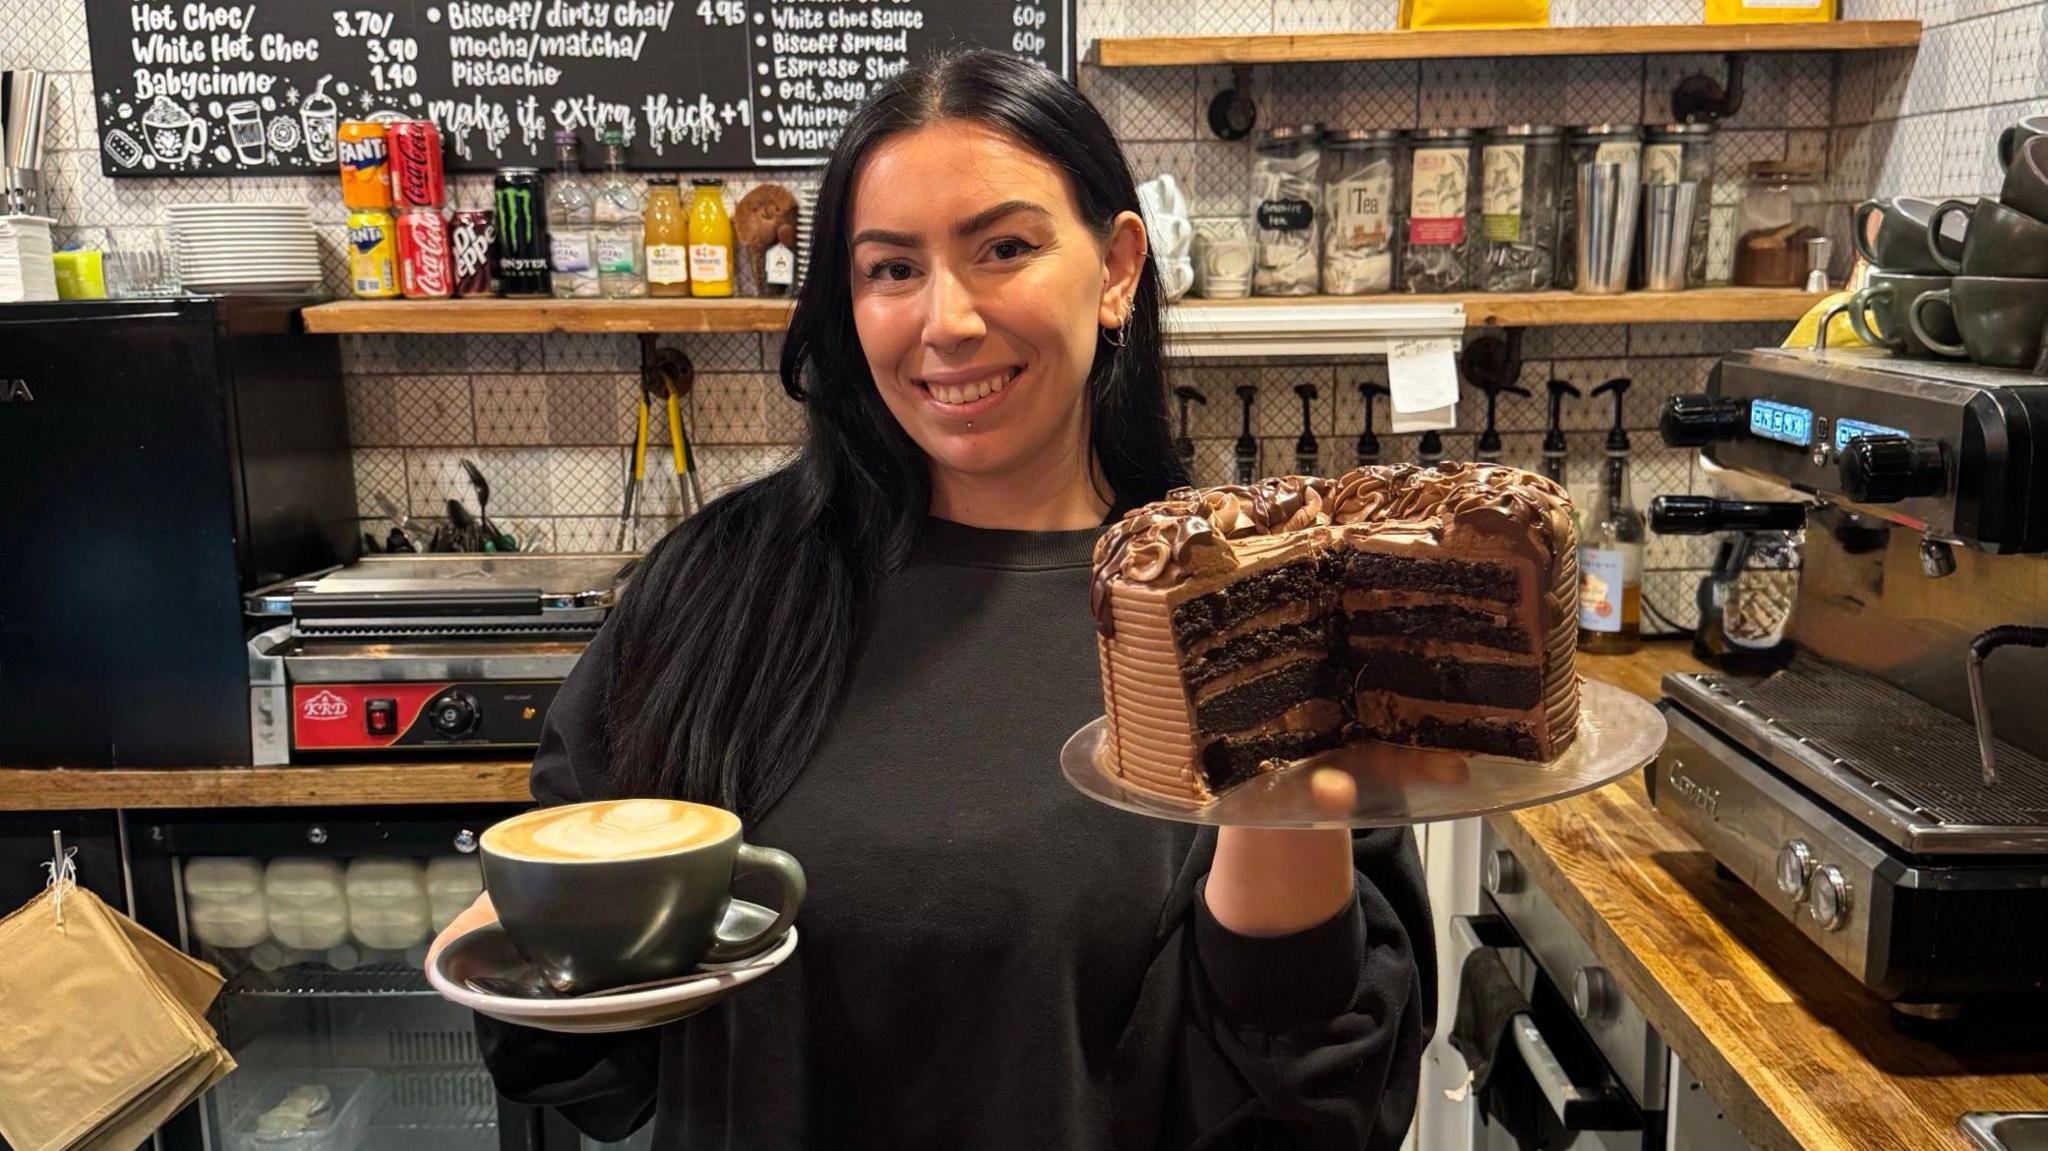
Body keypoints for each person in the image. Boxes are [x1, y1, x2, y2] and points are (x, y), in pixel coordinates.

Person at [430, 50, 1435, 1149]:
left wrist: (1283, 801)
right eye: (889, 269)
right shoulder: (719, 588)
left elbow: (1312, 1096)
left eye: (1002, 248)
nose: (944, 321)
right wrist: (526, 942)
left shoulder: (1238, 611)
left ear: (1115, 268)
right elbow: (569, 1045)